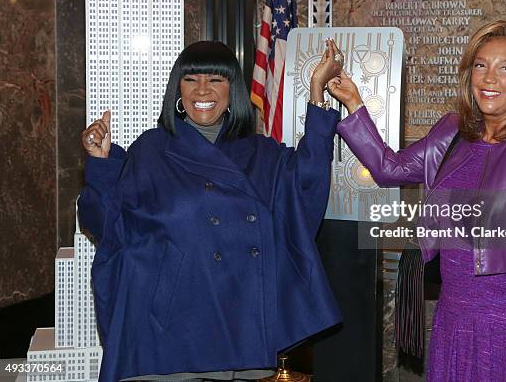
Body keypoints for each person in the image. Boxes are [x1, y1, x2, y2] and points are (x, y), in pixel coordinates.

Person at [328, 21, 506, 381]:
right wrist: (354, 102)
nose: (489, 78)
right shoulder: (452, 131)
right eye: (481, 65)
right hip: (456, 317)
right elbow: (390, 168)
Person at [78, 40, 344, 382]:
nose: (203, 89)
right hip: (168, 334)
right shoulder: (150, 150)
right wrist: (100, 166)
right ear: (178, 89)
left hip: (239, 328)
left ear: (232, 91)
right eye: (191, 79)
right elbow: (105, 226)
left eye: (216, 79)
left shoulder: (261, 154)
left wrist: (317, 92)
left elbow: (307, 185)